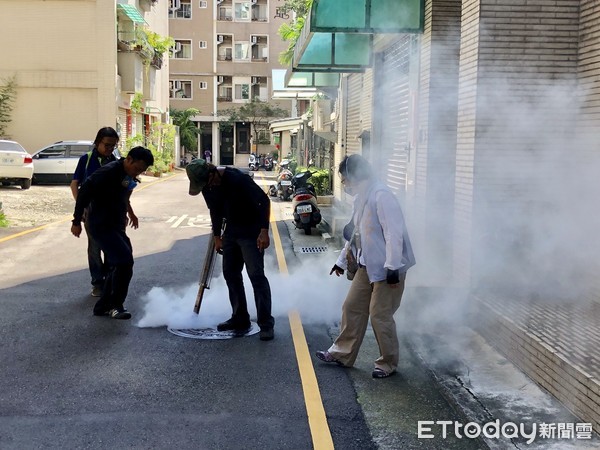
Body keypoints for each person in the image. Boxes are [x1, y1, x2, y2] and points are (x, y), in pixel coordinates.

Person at [315, 154, 416, 378]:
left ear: (356, 176)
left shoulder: (382, 196)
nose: (344, 184)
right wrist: (342, 261)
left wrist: (392, 267)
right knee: (351, 307)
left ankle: (387, 363)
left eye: (345, 179)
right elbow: (357, 235)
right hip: (367, 265)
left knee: (380, 315)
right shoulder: (362, 198)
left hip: (389, 268)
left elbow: (393, 234)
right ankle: (342, 353)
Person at [186, 159, 275, 341]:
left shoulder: (238, 180)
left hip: (251, 231)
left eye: (209, 182)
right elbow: (214, 210)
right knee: (231, 274)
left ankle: (266, 323)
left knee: (256, 276)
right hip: (231, 232)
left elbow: (263, 201)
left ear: (213, 173)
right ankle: (240, 317)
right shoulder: (206, 185)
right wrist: (218, 236)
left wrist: (264, 231)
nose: (209, 187)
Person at [71, 146, 154, 320]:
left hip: (115, 225)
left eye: (141, 171)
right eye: (137, 169)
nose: (137, 173)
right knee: (124, 262)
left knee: (120, 263)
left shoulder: (127, 174)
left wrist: (128, 212)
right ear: (129, 159)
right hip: (100, 225)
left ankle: (103, 306)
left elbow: (124, 196)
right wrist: (76, 221)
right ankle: (115, 306)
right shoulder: (107, 172)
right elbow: (84, 191)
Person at [70, 127, 139, 297]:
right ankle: (97, 282)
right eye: (107, 145)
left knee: (112, 248)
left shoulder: (116, 161)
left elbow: (124, 190)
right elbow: (75, 184)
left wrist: (129, 212)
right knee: (94, 247)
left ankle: (110, 281)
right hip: (92, 212)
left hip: (113, 212)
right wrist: (81, 210)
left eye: (113, 146)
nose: (110, 149)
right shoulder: (86, 160)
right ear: (97, 142)